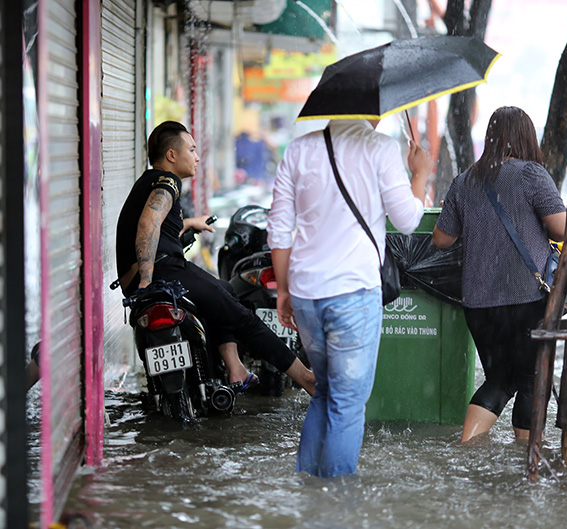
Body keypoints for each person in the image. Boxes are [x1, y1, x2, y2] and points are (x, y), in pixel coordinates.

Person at [268, 118, 433, 477]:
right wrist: (419, 174)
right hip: (353, 296)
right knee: (347, 404)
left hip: (307, 293)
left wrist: (283, 290)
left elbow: (279, 228)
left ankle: (309, 494)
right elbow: (406, 220)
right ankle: (337, 505)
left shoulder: (298, 149)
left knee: (325, 393)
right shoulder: (381, 148)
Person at [115, 121, 315, 395]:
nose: (197, 157)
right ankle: (306, 378)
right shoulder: (168, 181)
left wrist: (187, 223)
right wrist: (147, 280)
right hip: (161, 272)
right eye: (192, 150)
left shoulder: (149, 180)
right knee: (243, 317)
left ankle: (235, 368)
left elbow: (156, 223)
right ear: (172, 155)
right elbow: (148, 223)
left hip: (140, 273)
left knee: (224, 289)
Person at [432, 106, 566, 442]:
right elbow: (562, 229)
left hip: (478, 304)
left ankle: (468, 445)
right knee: (534, 378)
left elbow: (441, 239)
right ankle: (527, 455)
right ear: (525, 136)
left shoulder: (464, 181)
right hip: (526, 298)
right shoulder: (530, 174)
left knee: (500, 379)